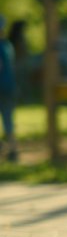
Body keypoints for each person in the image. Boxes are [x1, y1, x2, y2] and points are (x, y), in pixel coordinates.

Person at [0, 16, 17, 163]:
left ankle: (6, 149)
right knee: (8, 119)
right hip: (10, 86)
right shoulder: (7, 45)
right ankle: (12, 149)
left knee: (6, 119)